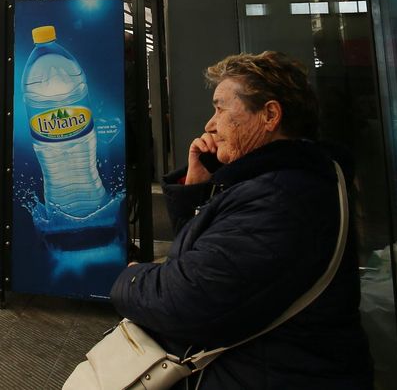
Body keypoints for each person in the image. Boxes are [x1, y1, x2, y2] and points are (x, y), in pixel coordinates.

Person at [110, 51, 371, 389]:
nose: (210, 124)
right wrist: (197, 186)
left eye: (220, 108)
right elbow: (209, 257)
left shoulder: (281, 199)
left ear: (270, 115)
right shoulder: (283, 180)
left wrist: (130, 278)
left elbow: (184, 301)